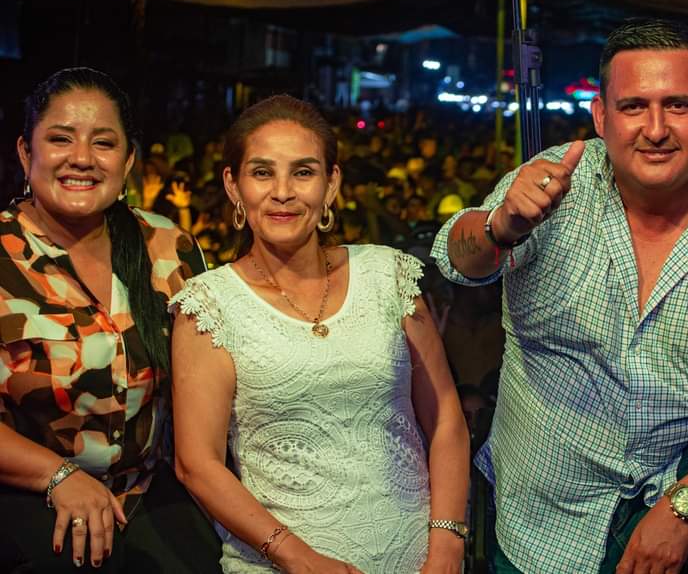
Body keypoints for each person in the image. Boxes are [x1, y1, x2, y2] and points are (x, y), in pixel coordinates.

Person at [432, 18, 688, 574]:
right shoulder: (552, 183)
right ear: (601, 116)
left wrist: (685, 505)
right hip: (547, 513)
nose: (656, 129)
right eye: (634, 106)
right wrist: (502, 225)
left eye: (678, 106)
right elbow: (457, 261)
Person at [169, 95, 469, 574]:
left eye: (303, 172)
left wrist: (448, 544)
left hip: (418, 560)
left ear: (331, 184)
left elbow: (446, 416)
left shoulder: (387, 274)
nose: (282, 192)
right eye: (262, 173)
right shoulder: (209, 305)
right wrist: (300, 559)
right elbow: (196, 465)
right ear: (233, 185)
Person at [0, 67, 221, 572]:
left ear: (128, 161)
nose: (81, 157)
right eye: (60, 139)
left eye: (103, 143)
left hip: (147, 489)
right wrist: (57, 475)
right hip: (26, 491)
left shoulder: (170, 248)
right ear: (25, 153)